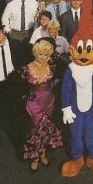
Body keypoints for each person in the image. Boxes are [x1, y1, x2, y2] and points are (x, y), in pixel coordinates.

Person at [0, 20, 29, 158]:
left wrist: (23, 84)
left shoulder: (15, 45)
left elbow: (23, 63)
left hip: (13, 84)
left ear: (3, 31)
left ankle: (20, 149)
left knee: (17, 119)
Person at [20, 39, 63, 171]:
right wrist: (26, 95)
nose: (43, 57)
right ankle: (35, 157)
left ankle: (43, 153)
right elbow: (19, 86)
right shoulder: (27, 68)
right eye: (40, 54)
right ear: (35, 53)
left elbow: (60, 77)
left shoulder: (51, 65)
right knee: (35, 130)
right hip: (34, 103)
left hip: (49, 101)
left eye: (46, 54)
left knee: (45, 129)